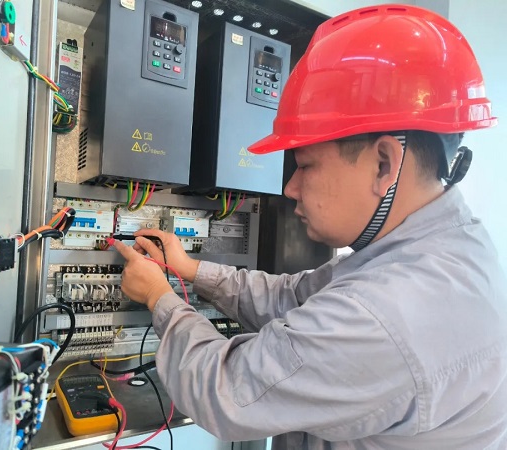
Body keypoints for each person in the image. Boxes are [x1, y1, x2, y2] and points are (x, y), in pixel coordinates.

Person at [112, 4, 507, 449]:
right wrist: (190, 270)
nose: (290, 188)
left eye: (306, 166)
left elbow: (226, 391)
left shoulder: (390, 310)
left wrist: (159, 297)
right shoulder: (441, 250)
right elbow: (293, 298)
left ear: (384, 163)